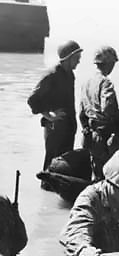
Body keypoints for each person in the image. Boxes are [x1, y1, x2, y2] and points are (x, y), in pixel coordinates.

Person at [27, 40, 82, 179]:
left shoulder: (70, 75)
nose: (79, 62)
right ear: (68, 58)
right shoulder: (51, 75)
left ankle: (52, 199)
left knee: (63, 167)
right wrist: (49, 115)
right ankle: (45, 191)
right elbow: (32, 99)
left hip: (68, 127)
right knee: (51, 166)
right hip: (55, 128)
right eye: (77, 58)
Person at [79, 46, 119, 180]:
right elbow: (108, 109)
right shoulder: (105, 82)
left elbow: (81, 113)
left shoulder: (86, 83)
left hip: (92, 135)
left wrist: (86, 130)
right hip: (105, 136)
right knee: (113, 172)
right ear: (109, 63)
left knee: (97, 173)